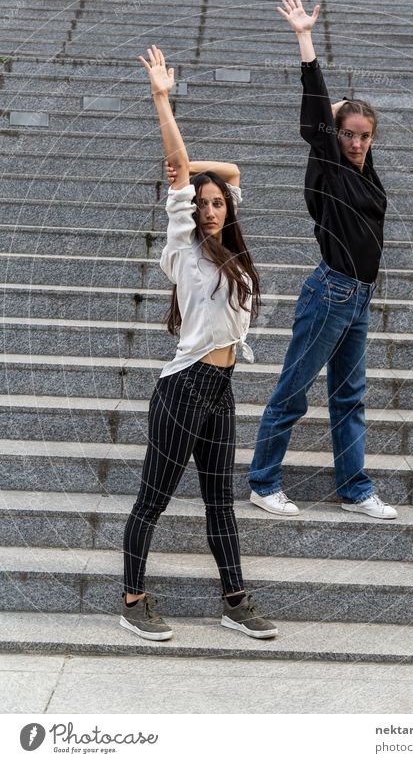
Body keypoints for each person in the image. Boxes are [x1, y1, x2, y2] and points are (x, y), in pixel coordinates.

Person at [120, 44, 277, 641]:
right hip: (184, 387)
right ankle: (134, 598)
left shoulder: (232, 252)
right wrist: (163, 103)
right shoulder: (182, 247)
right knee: (153, 500)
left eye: (216, 204)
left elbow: (230, 173)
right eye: (201, 203)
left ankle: (234, 601)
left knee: (221, 503)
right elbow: (186, 178)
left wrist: (201, 172)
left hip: (223, 386)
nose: (209, 209)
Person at [248, 0, 398, 520]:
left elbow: (341, 129)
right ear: (336, 136)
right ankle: (263, 482)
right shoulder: (329, 169)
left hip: (359, 297)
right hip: (331, 290)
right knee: (294, 390)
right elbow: (316, 117)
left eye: (364, 137)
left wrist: (346, 118)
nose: (356, 143)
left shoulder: (365, 174)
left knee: (350, 397)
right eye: (348, 135)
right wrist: (305, 41)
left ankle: (356, 490)